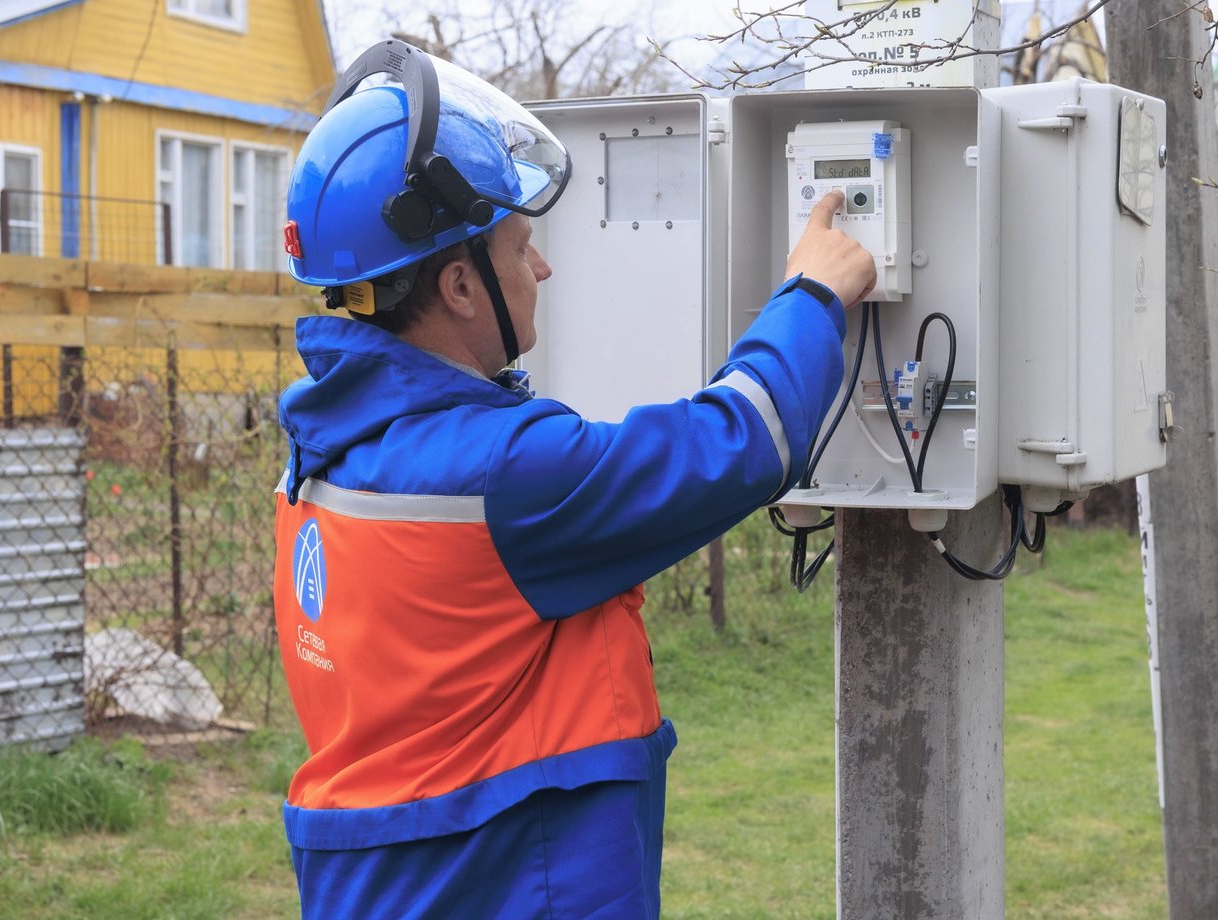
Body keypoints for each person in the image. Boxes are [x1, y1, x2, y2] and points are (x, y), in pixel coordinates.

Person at [273, 39, 875, 919]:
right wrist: (812, 294)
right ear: (460, 287)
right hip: (511, 884)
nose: (544, 268)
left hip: (378, 885)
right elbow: (747, 439)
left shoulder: (322, 447)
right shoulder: (502, 473)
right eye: (522, 248)